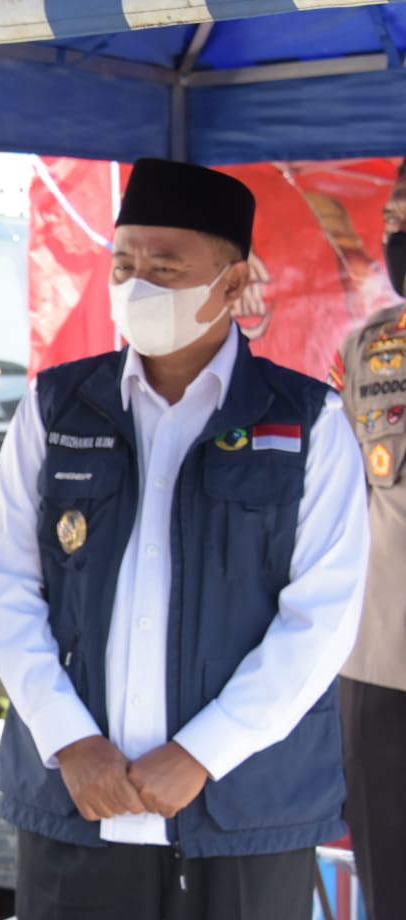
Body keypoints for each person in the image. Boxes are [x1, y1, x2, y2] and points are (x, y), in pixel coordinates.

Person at [0, 157, 369, 920]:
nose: (139, 282)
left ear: (231, 281)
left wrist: (203, 753)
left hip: (245, 811)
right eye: (125, 262)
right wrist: (70, 743)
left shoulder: (307, 420)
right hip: (78, 802)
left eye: (165, 264)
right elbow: (4, 579)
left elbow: (322, 616)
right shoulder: (58, 408)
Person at [329, 158, 406, 920]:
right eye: (393, 219)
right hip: (383, 662)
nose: (398, 232)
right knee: (389, 879)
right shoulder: (370, 352)